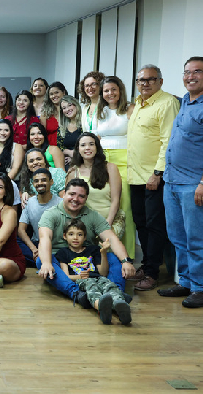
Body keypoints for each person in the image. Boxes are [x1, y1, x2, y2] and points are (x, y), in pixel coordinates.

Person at [159, 56, 203, 308]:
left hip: (196, 184)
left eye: (197, 72)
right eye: (187, 72)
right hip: (174, 182)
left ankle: (201, 288)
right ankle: (186, 281)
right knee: (178, 236)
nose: (190, 76)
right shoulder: (186, 101)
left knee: (198, 237)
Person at [36, 178, 135, 307]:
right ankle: (77, 294)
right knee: (41, 260)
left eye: (81, 196)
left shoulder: (93, 216)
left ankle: (115, 294)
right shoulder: (51, 214)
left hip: (88, 258)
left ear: (86, 198)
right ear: (64, 194)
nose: (75, 199)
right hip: (60, 260)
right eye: (72, 194)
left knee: (114, 258)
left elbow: (111, 238)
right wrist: (47, 263)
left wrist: (126, 261)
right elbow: (44, 238)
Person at [127, 64, 179, 291]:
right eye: (141, 80)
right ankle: (147, 265)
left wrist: (158, 173)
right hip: (135, 176)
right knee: (141, 223)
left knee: (155, 225)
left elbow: (169, 142)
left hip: (153, 176)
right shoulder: (139, 103)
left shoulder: (167, 103)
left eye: (150, 79)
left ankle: (152, 273)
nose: (145, 83)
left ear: (160, 81)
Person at [91, 75, 136, 263]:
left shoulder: (130, 109)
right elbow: (95, 137)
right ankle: (103, 252)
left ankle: (127, 255)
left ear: (120, 90)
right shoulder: (98, 111)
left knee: (124, 207)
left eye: (113, 89)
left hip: (124, 161)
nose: (110, 93)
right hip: (102, 160)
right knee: (103, 204)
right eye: (106, 90)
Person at [56, 219, 132, 325]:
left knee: (110, 286)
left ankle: (120, 307)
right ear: (65, 236)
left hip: (98, 277)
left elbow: (103, 273)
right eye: (71, 234)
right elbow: (66, 276)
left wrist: (103, 253)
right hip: (83, 280)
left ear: (85, 237)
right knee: (92, 288)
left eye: (80, 234)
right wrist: (79, 277)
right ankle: (101, 308)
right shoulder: (63, 253)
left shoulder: (93, 249)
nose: (75, 238)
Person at [66, 133, 126, 251]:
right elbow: (68, 201)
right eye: (83, 145)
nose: (87, 148)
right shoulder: (74, 172)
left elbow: (116, 200)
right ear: (78, 149)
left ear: (97, 147)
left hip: (110, 220)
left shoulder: (110, 168)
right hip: (83, 224)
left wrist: (107, 224)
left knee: (103, 252)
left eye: (91, 144)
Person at [18, 168, 61, 267]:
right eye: (36, 181)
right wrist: (34, 249)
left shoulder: (61, 203)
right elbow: (21, 230)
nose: (40, 183)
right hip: (36, 243)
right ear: (33, 184)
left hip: (55, 245)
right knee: (15, 242)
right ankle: (42, 259)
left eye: (44, 180)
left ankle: (43, 260)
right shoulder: (29, 202)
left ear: (51, 182)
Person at [59, 95, 83, 168]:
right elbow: (59, 146)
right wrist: (69, 153)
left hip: (83, 159)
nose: (67, 109)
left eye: (69, 105)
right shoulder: (62, 127)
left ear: (76, 105)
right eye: (64, 108)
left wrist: (75, 156)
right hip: (67, 161)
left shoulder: (84, 123)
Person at [41, 81, 65, 148]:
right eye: (51, 94)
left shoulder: (69, 110)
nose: (54, 96)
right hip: (50, 149)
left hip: (68, 148)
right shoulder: (45, 113)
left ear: (63, 93)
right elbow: (42, 135)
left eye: (56, 92)